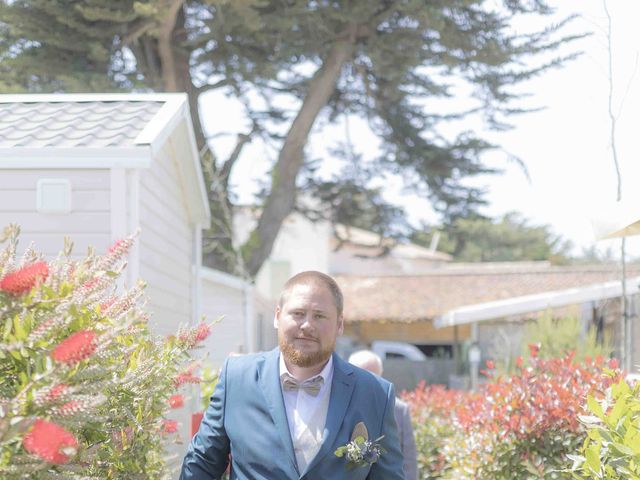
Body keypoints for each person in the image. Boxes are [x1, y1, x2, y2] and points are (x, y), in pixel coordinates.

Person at [180, 271, 405, 479]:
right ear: (277, 316)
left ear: (339, 325)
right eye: (298, 313)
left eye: (319, 316)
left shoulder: (376, 394)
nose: (307, 325)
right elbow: (202, 464)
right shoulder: (236, 379)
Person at [348, 350, 418, 480]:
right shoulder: (339, 406)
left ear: (381, 375)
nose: (368, 383)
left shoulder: (399, 410)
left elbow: (409, 461)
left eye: (373, 377)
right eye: (363, 375)